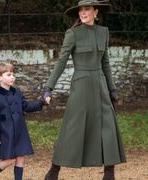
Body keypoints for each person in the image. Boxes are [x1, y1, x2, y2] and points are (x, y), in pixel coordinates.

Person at [42, 1, 126, 180]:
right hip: (80, 86)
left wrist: (112, 89)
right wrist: (48, 88)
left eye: (87, 9)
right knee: (72, 128)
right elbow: (62, 61)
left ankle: (109, 173)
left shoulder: (104, 32)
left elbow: (105, 63)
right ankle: (53, 171)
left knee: (108, 127)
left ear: (96, 12)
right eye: (81, 9)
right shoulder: (72, 34)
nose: (83, 12)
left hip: (101, 86)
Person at [0, 62, 45, 180]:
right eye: (8, 75)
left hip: (20, 129)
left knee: (21, 157)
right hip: (6, 132)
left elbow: (26, 106)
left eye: (13, 74)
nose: (12, 77)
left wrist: (41, 102)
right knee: (10, 158)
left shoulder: (17, 91)